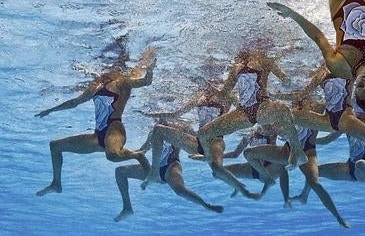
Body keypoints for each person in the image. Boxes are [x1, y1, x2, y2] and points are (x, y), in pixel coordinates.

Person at [36, 47, 156, 196]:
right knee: (55, 146)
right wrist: (51, 110)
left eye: (109, 67)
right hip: (97, 135)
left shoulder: (122, 82)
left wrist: (150, 67)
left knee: (111, 155)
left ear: (117, 69)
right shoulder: (95, 87)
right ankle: (56, 183)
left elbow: (146, 81)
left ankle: (137, 155)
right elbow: (74, 102)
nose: (104, 71)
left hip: (114, 129)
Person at [138, 79, 263, 200]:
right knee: (158, 130)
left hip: (216, 141)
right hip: (197, 143)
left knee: (216, 169)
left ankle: (243, 191)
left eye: (215, 82)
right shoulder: (199, 97)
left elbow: (242, 109)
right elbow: (175, 114)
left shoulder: (225, 97)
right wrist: (149, 115)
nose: (211, 84)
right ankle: (154, 172)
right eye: (210, 81)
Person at [196, 48, 309, 171]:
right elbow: (224, 93)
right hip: (242, 112)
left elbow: (285, 79)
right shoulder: (235, 67)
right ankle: (208, 156)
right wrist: (209, 86)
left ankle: (298, 152)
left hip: (262, 106)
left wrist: (286, 82)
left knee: (283, 110)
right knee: (202, 133)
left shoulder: (265, 59)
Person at [114, 140, 223, 222]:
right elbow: (142, 150)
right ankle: (127, 207)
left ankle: (206, 205)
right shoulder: (153, 133)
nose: (158, 119)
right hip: (154, 169)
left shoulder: (174, 130)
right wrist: (122, 154)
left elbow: (192, 144)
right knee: (120, 171)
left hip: (171, 166)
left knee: (180, 190)